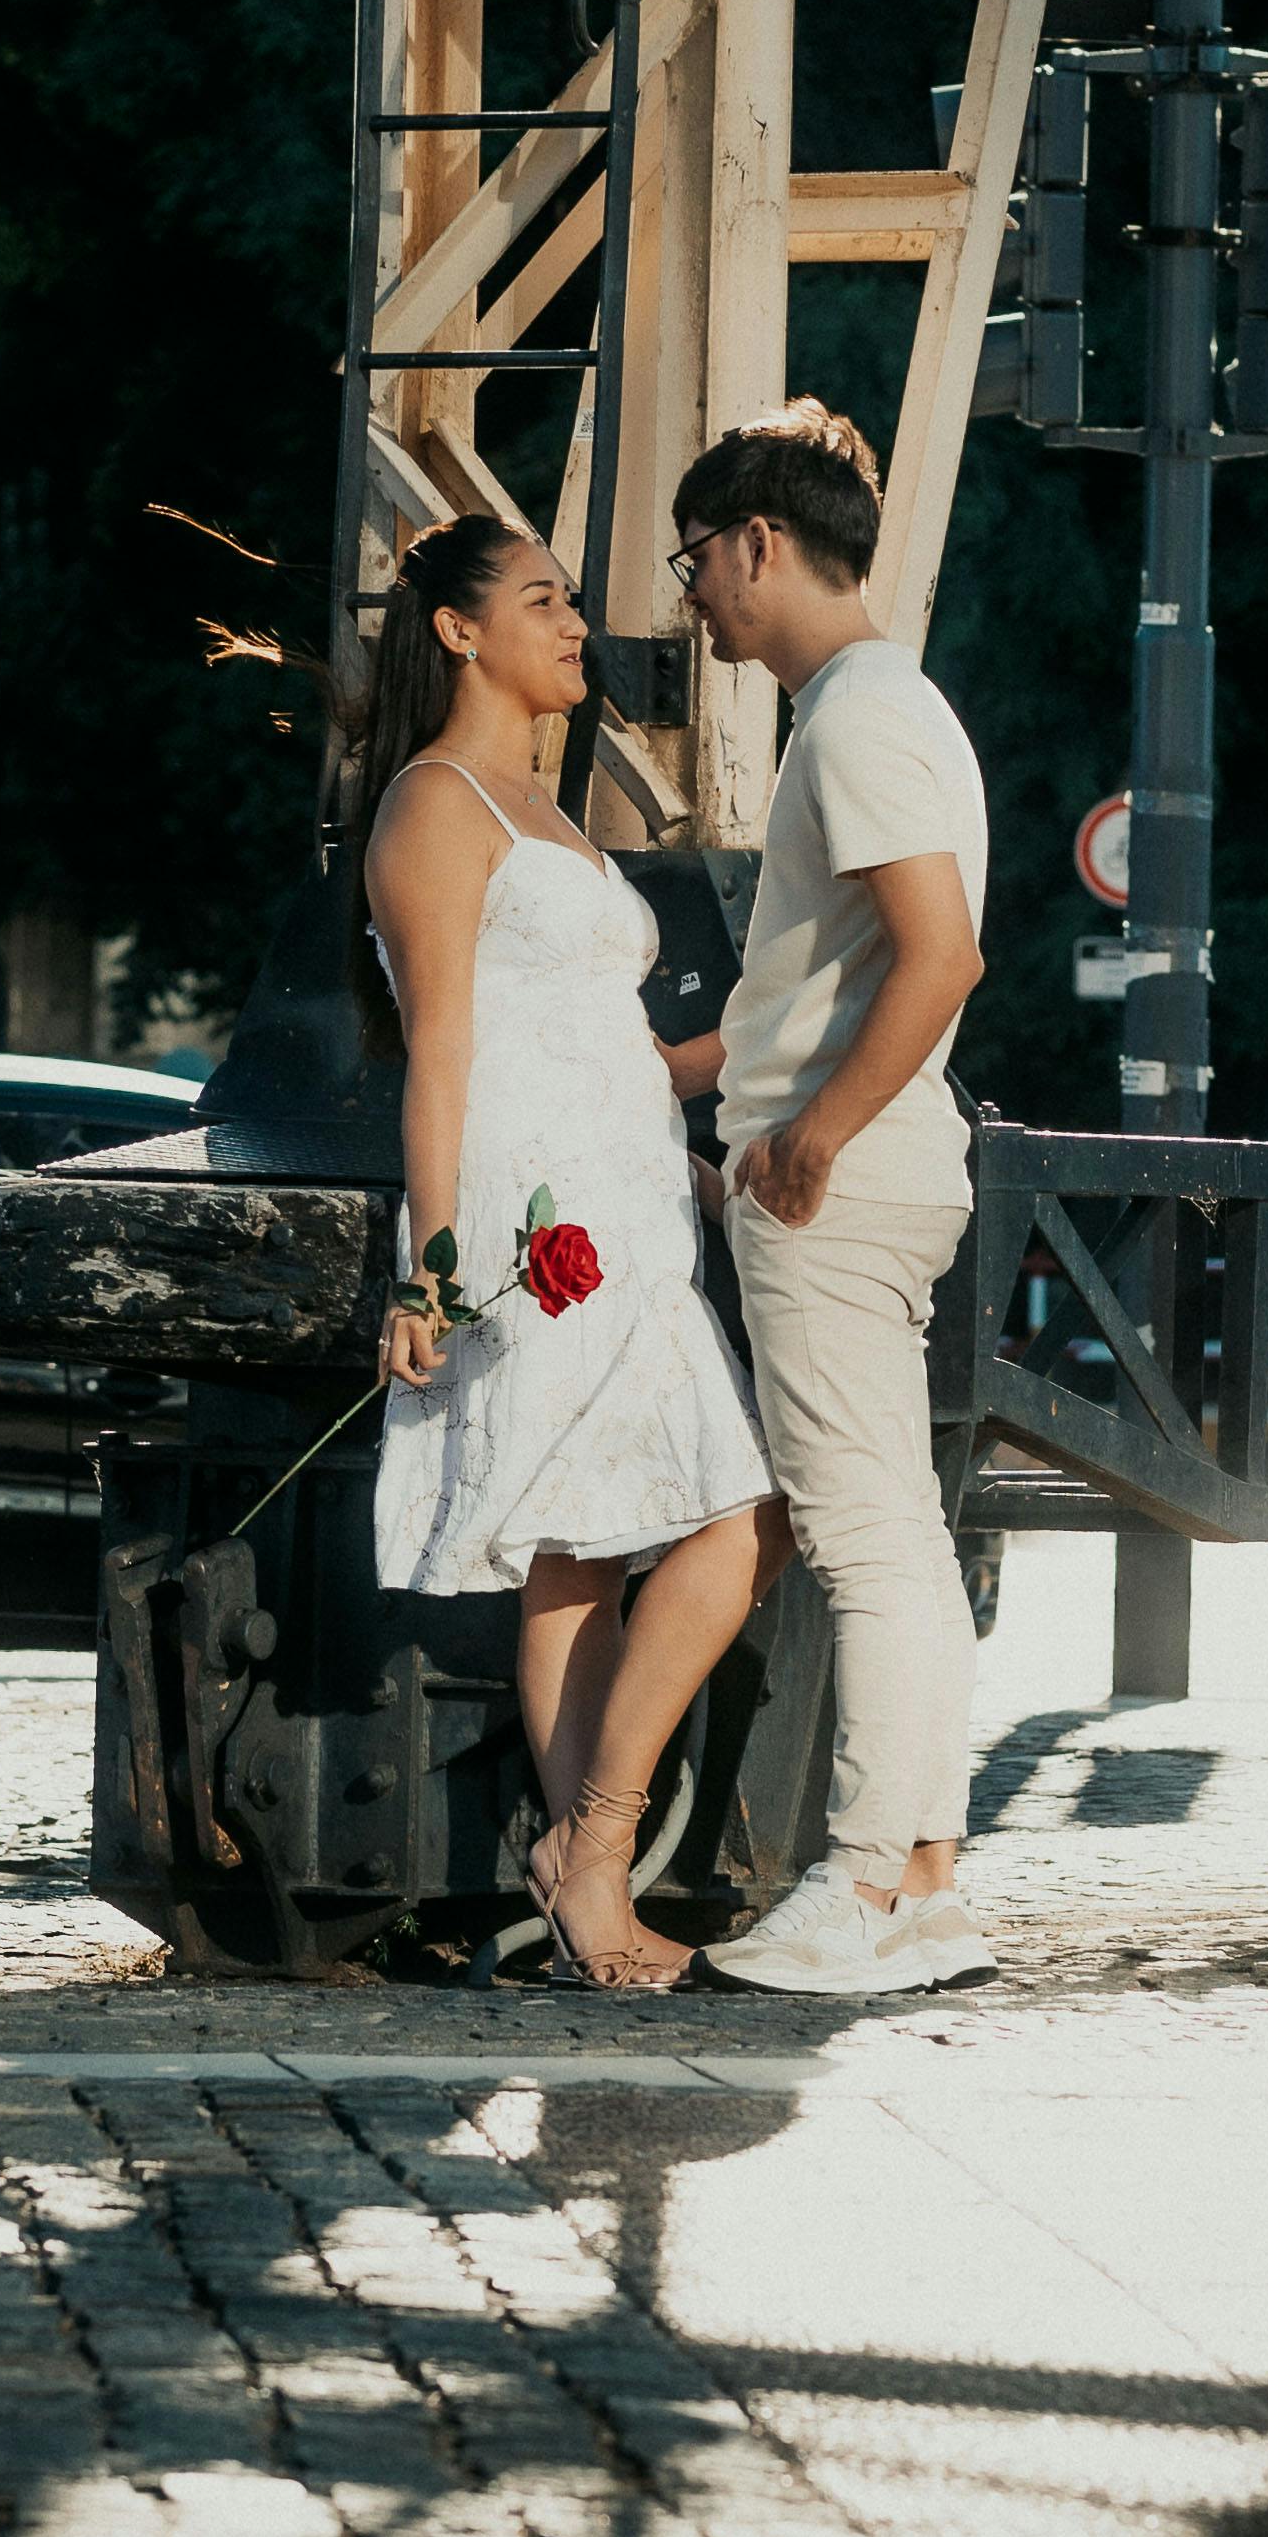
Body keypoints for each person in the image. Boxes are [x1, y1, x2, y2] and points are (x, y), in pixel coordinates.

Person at [356, 512, 784, 1993]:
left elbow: (626, 1058)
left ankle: (582, 1851)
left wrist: (795, 1032)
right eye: (540, 600)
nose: (573, 625)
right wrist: (428, 1266)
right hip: (536, 1224)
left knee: (688, 1530)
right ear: (459, 632)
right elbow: (441, 1054)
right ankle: (589, 1860)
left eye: (572, 604)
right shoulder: (432, 805)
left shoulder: (556, 818)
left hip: (638, 1209)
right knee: (591, 1546)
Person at [666, 405, 994, 1997]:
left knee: (863, 1541)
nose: (694, 602)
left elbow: (941, 956)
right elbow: (831, 978)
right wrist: (691, 1074)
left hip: (837, 1177)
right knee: (897, 1537)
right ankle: (920, 1879)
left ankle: (866, 1882)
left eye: (698, 563)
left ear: (758, 544)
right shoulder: (885, 703)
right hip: (868, 1159)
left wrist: (804, 1139)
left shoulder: (855, 717)